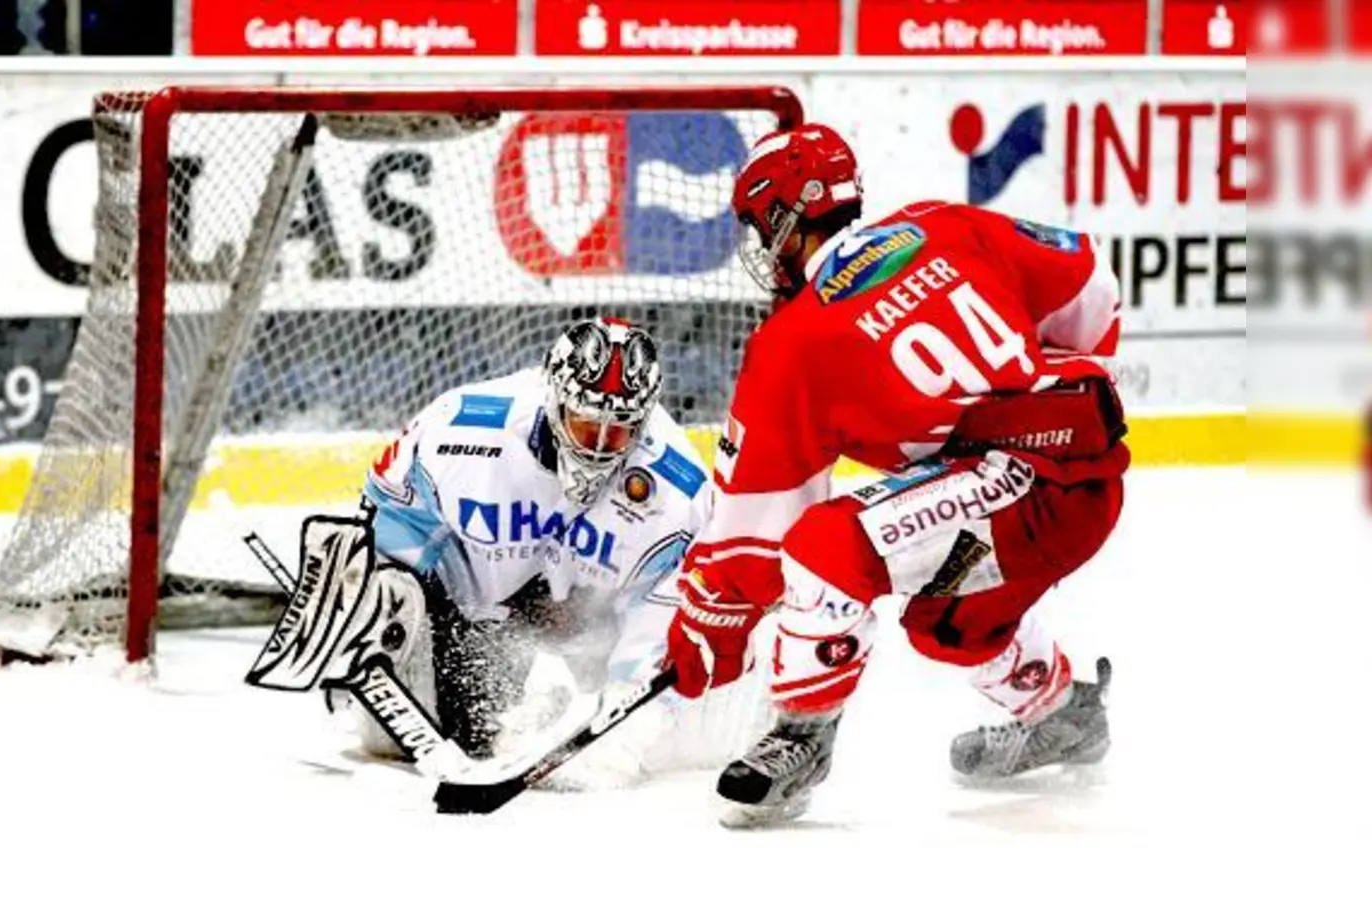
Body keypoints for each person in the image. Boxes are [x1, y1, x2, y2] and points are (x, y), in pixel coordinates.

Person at [664, 124, 1130, 826]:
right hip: (1081, 477)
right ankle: (1064, 715)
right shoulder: (943, 224)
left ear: (784, 222)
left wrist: (707, 628)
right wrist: (1039, 390)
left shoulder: (792, 343)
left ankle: (801, 739)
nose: (763, 249)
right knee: (947, 621)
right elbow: (1091, 280)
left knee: (824, 551)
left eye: (763, 229)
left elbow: (753, 533)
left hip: (1020, 484)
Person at [335, 316, 760, 782]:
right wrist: (376, 609)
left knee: (664, 733)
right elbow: (389, 520)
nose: (598, 447)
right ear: (554, 398)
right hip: (472, 619)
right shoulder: (459, 428)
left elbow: (660, 622)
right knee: (386, 736)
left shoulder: (677, 492)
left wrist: (629, 719)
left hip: (592, 635)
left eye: (617, 431)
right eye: (585, 425)